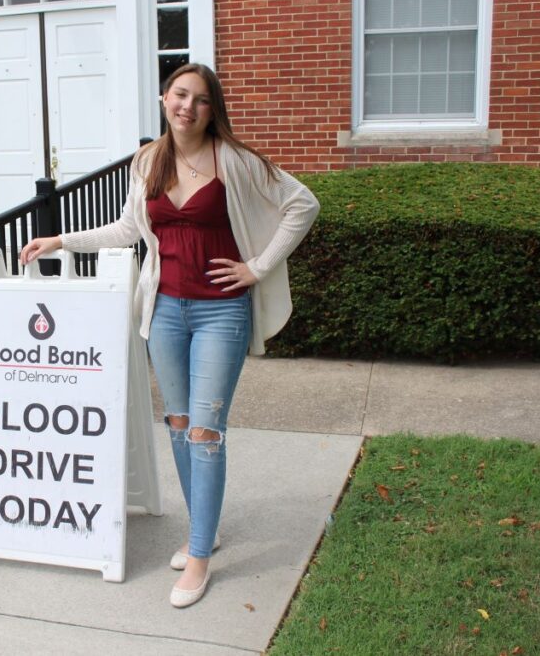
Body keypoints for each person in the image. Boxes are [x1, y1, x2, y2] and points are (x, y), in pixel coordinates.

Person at [19, 63, 319, 608]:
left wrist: (258, 265)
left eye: (200, 100)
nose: (188, 107)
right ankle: (205, 528)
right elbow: (129, 230)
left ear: (212, 109)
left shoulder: (236, 161)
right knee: (179, 425)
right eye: (180, 95)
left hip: (220, 313)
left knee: (206, 431)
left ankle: (199, 555)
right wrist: (60, 241)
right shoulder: (148, 160)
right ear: (164, 99)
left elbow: (303, 204)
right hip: (165, 312)